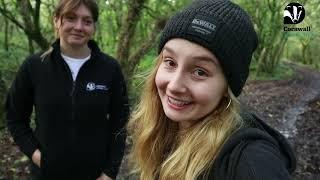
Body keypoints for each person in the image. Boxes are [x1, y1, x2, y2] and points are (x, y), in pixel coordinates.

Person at [126, 0, 296, 179]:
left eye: (200, 72)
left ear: (227, 87)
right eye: (170, 62)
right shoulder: (159, 128)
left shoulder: (248, 158)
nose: (174, 86)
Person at [5, 0, 129, 179]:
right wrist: (38, 157)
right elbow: (15, 118)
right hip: (47, 175)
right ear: (56, 20)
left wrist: (110, 172)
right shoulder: (34, 67)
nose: (79, 27)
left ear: (94, 26)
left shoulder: (110, 69)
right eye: (71, 18)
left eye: (87, 21)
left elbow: (120, 123)